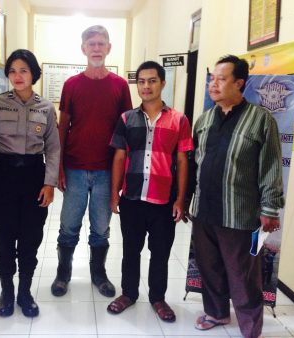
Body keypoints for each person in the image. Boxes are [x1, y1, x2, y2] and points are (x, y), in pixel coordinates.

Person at [189, 55, 284, 338]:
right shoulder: (204, 120)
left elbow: (271, 167)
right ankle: (217, 313)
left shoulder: (261, 120)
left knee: (243, 274)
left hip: (240, 214)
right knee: (210, 268)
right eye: (212, 79)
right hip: (205, 210)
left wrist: (269, 209)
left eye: (221, 79)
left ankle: (250, 328)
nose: (213, 84)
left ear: (239, 83)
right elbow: (194, 163)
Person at [107, 61, 194, 322]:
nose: (146, 86)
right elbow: (120, 158)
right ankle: (129, 294)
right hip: (132, 197)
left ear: (163, 83)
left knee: (160, 253)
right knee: (130, 251)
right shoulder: (126, 118)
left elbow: (182, 161)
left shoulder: (179, 120)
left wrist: (180, 199)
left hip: (163, 200)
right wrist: (114, 194)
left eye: (152, 80)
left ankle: (158, 298)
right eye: (141, 81)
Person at [51, 25, 132, 298]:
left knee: (101, 227)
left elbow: (126, 131)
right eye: (91, 43)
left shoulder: (120, 86)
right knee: (69, 226)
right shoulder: (71, 85)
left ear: (108, 48)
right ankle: (64, 273)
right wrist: (59, 166)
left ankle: (98, 273)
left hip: (106, 170)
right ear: (83, 48)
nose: (96, 48)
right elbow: (62, 128)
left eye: (101, 43)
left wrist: (122, 176)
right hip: (74, 168)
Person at [0, 49, 60, 318]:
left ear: (34, 73)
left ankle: (25, 291)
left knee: (31, 237)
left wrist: (49, 184)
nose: (17, 76)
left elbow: (54, 148)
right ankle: (7, 291)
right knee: (4, 238)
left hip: (34, 176)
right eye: (12, 70)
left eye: (23, 70)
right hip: (4, 177)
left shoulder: (46, 108)